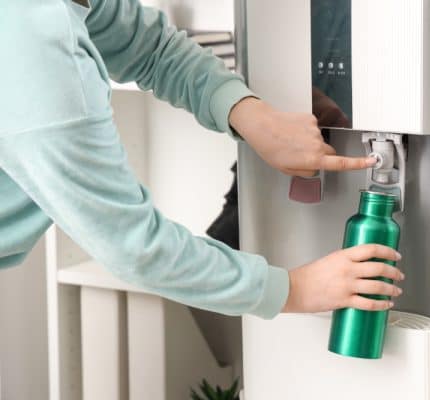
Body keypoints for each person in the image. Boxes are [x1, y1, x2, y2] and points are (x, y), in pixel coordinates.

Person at [0, 0, 404, 320]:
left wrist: (248, 112)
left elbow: (149, 48)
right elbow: (135, 248)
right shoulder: (34, 49)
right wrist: (297, 289)